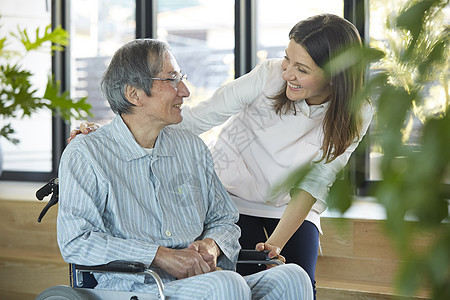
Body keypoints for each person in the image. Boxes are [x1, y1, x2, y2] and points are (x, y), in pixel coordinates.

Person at [70, 14, 374, 297]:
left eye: (302, 69)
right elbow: (201, 116)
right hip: (234, 194)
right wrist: (113, 133)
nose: (287, 73)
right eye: (287, 59)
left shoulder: (357, 111)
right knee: (232, 281)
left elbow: (315, 182)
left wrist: (270, 245)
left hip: (289, 206)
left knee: (297, 279)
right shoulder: (269, 77)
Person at [57, 38, 313, 299]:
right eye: (172, 80)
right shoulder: (87, 153)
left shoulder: (191, 148)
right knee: (226, 284)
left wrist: (212, 246)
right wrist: (160, 256)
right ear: (134, 94)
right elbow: (76, 241)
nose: (185, 91)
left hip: (205, 284)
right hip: (136, 288)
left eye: (182, 78)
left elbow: (224, 220)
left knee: (291, 276)